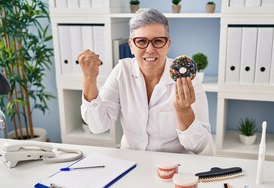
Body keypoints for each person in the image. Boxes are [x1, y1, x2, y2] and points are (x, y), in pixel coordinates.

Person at [79, 8, 211, 154]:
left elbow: (199, 146)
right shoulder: (122, 71)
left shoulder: (187, 80)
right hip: (131, 162)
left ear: (168, 44)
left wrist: (183, 111)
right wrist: (89, 79)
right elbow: (98, 126)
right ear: (131, 45)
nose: (149, 49)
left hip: (173, 166)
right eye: (141, 41)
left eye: (158, 41)